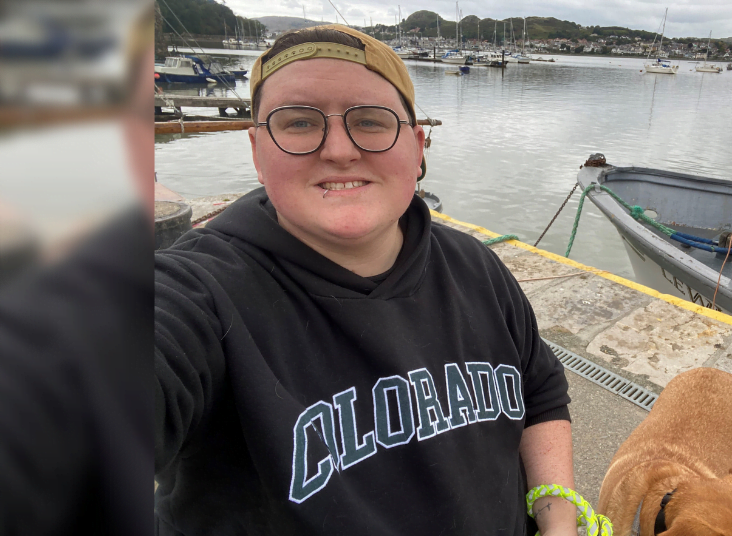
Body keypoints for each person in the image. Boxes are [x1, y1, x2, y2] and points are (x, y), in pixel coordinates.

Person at [154, 25, 577, 535]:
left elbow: (541, 389)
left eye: (372, 122)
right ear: (257, 150)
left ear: (417, 147)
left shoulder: (475, 266)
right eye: (299, 122)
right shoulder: (200, 293)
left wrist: (558, 519)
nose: (338, 149)